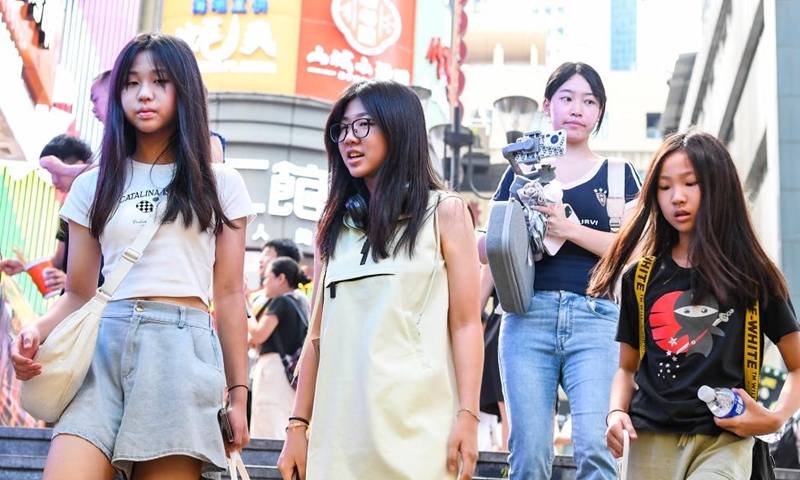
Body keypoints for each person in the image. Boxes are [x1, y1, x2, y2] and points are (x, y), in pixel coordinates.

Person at [10, 32, 254, 479]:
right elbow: (79, 293)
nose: (143, 94)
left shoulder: (220, 183)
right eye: (131, 83)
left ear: (185, 91)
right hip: (104, 347)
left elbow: (230, 293)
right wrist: (34, 333)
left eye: (160, 81)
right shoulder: (93, 184)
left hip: (181, 350)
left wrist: (239, 395)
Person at [276, 79, 484, 480]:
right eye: (342, 129)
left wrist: (468, 416)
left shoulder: (445, 212)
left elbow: (465, 323)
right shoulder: (332, 229)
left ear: (399, 127)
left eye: (363, 125)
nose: (349, 139)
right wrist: (297, 427)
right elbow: (316, 338)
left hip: (420, 434)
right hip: (337, 437)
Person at [588, 130, 800, 479]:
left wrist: (773, 418)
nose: (677, 198)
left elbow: (796, 365)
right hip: (650, 439)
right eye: (665, 186)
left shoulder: (753, 276)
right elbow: (626, 368)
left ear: (717, 187)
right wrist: (615, 414)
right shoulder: (638, 279)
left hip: (726, 440)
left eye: (690, 183)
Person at [480, 61, 642, 480]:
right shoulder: (521, 171)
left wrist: (568, 230)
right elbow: (487, 249)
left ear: (600, 113)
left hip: (598, 319)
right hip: (524, 317)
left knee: (596, 448)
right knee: (529, 455)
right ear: (547, 106)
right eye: (567, 98)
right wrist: (514, 228)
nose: (577, 109)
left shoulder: (619, 175)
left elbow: (635, 251)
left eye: (589, 101)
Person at [0, 135, 94, 293]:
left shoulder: (102, 209)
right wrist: (26, 266)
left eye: (55, 172)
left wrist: (73, 283)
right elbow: (59, 260)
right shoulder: (67, 209)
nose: (54, 181)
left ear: (77, 167)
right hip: (72, 300)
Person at [248, 257, 310, 439]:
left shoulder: (281, 302)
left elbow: (259, 334)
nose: (264, 283)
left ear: (281, 278)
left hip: (273, 370)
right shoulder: (300, 303)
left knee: (267, 425)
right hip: (289, 372)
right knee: (282, 423)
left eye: (267, 278)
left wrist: (247, 309)